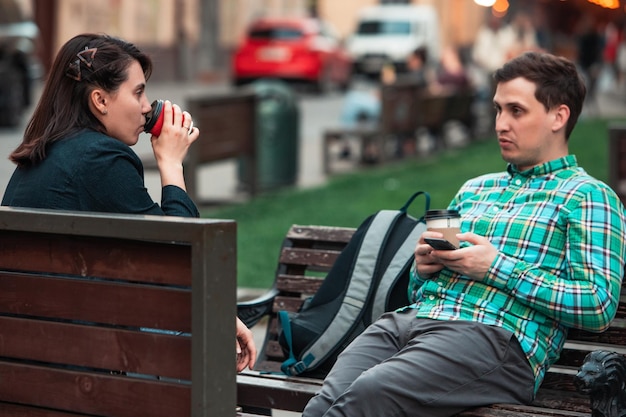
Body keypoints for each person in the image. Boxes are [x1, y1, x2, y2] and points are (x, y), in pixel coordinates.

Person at [302, 51, 626, 417]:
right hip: (409, 322)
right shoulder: (475, 189)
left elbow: (597, 305)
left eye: (516, 111)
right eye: (498, 109)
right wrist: (423, 268)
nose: (501, 124)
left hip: (494, 340)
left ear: (558, 116)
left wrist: (495, 267)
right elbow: (418, 290)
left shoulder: (588, 196)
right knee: (325, 405)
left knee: (368, 396)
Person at [0, 33, 256, 373]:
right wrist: (171, 164)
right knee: (210, 341)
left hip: (31, 363)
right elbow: (182, 259)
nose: (148, 106)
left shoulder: (42, 155)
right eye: (137, 92)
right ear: (100, 101)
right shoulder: (101, 158)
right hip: (86, 370)